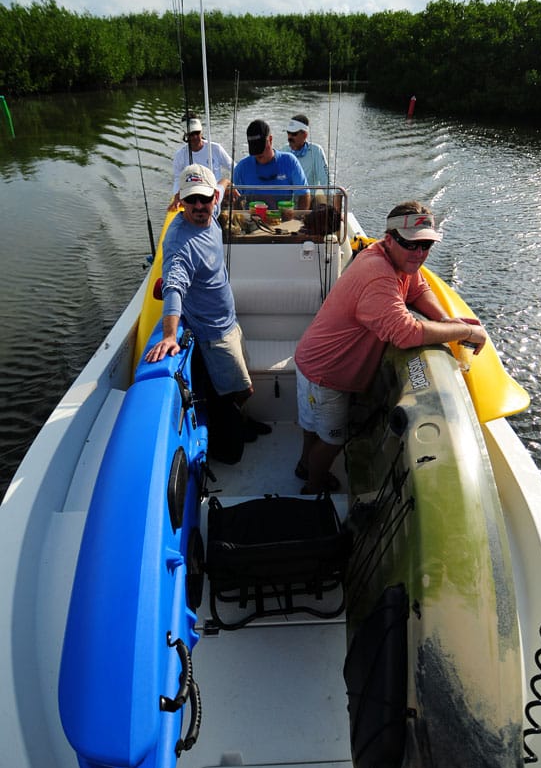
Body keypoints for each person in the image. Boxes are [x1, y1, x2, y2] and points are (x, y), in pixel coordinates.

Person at [293, 200, 488, 494]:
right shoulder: (378, 274)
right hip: (325, 375)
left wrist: (445, 319)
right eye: (412, 245)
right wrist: (464, 331)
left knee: (314, 426)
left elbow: (418, 288)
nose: (419, 254)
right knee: (332, 439)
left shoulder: (393, 259)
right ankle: (314, 485)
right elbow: (405, 333)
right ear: (389, 238)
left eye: (426, 246)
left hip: (310, 360)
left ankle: (304, 464)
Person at [145, 163, 270, 443]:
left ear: (214, 197)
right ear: (180, 201)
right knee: (243, 390)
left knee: (245, 378)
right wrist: (168, 335)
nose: (199, 206)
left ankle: (241, 420)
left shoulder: (211, 210)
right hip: (214, 333)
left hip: (230, 320)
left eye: (205, 198)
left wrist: (227, 181)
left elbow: (223, 187)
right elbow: (174, 286)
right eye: (191, 199)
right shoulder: (180, 243)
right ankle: (235, 427)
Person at [232, 119, 311, 210]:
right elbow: (236, 201)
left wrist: (299, 218)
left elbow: (304, 194)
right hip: (252, 221)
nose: (258, 153)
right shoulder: (241, 168)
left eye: (260, 147)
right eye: (254, 148)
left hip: (284, 219)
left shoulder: (290, 162)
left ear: (270, 139)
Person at [169, 112, 233, 210]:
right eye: (191, 134)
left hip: (214, 197)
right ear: (186, 134)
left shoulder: (215, 149)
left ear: (201, 132)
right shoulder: (180, 155)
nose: (195, 137)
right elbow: (178, 179)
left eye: (197, 133)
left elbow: (233, 167)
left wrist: (233, 187)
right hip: (191, 197)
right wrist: (176, 196)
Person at [285, 114, 329, 186]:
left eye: (294, 134)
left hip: (310, 196)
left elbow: (326, 181)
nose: (289, 137)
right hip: (288, 197)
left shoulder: (316, 151)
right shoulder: (283, 151)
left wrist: (329, 196)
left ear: (305, 135)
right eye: (288, 133)